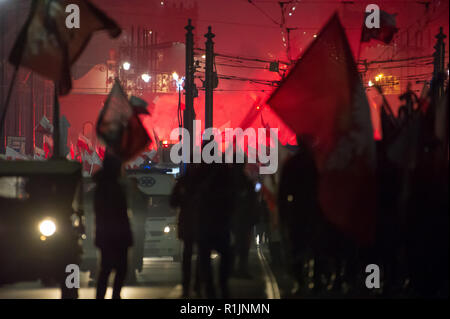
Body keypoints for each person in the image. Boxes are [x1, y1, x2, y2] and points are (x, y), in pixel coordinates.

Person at [94, 153, 133, 299]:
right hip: (115, 235)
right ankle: (114, 295)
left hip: (107, 235)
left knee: (108, 269)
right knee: (117, 269)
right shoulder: (111, 187)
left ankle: (105, 295)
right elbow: (119, 213)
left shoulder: (103, 186)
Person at [170, 163, 201, 298]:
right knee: (200, 256)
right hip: (200, 223)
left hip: (188, 223)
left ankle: (186, 286)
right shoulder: (204, 180)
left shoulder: (183, 182)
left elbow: (173, 202)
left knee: (187, 257)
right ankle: (198, 285)